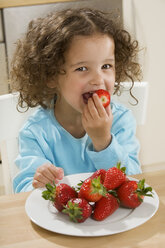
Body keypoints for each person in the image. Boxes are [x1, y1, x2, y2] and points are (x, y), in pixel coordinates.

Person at [11, 8, 142, 193]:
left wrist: (103, 141)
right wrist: (39, 182)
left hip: (109, 220)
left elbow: (133, 183)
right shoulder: (36, 132)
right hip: (62, 218)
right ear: (51, 76)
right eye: (82, 68)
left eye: (106, 66)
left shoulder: (121, 120)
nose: (98, 79)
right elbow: (23, 190)